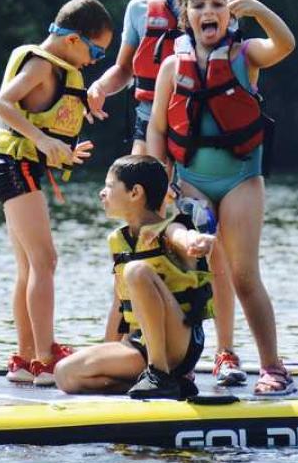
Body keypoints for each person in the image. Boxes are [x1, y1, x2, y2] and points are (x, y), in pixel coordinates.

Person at [84, 0, 242, 386]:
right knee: (136, 235)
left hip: (198, 130)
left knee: (212, 245)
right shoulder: (139, 9)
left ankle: (226, 352)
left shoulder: (212, 7)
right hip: (147, 123)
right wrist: (99, 89)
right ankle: (123, 344)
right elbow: (125, 68)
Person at [147, 0, 298, 396]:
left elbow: (285, 45)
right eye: (199, 5)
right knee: (191, 274)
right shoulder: (173, 66)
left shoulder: (245, 54)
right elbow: (158, 130)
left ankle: (273, 367)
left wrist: (257, 10)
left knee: (243, 273)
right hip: (191, 180)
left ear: (229, 16)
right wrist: (161, 186)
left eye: (218, 4)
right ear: (186, 16)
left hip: (240, 180)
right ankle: (199, 360)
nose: (208, 11)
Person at [0, 0, 113, 386]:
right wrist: (43, 141)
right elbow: (1, 104)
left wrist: (63, 150)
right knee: (46, 261)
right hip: (14, 167)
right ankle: (44, 358)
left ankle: (25, 359)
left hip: (16, 167)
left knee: (28, 266)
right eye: (96, 51)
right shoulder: (42, 64)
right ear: (73, 40)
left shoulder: (58, 69)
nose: (95, 61)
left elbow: (35, 120)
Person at [54, 155, 214, 399]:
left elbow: (183, 236)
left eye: (109, 186)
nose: (102, 193)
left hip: (179, 342)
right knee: (65, 374)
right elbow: (120, 304)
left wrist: (196, 241)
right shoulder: (118, 241)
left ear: (135, 192)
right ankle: (171, 384)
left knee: (136, 271)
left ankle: (159, 375)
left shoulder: (169, 229)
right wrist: (108, 348)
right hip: (139, 345)